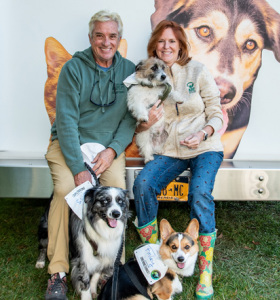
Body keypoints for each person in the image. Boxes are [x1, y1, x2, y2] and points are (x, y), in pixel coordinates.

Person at [44, 10, 135, 300]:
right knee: (65, 189)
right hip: (69, 145)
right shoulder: (73, 69)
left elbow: (130, 120)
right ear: (91, 38)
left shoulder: (129, 71)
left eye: (112, 36)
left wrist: (112, 151)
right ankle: (57, 272)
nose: (105, 42)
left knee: (117, 192)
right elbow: (67, 121)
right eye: (99, 35)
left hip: (106, 150)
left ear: (118, 39)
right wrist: (76, 166)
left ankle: (112, 272)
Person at [132, 20, 224, 299]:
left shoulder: (197, 70)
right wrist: (145, 125)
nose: (166, 46)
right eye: (161, 41)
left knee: (198, 193)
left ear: (181, 45)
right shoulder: (147, 77)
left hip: (205, 147)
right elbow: (137, 121)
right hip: (169, 150)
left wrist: (204, 132)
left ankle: (205, 268)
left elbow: (216, 111)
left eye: (172, 41)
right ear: (154, 46)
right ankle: (154, 261)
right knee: (143, 184)